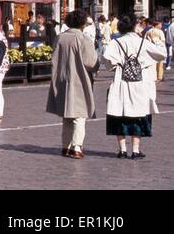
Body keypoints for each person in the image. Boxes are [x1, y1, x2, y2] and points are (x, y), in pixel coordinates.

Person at [102, 14, 164, 159]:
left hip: (121, 82)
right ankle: (135, 150)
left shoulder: (116, 43)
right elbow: (161, 54)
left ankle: (122, 149)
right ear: (134, 26)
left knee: (119, 114)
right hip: (139, 83)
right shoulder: (142, 42)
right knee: (138, 115)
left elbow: (107, 60)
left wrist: (117, 65)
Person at [47, 9, 99, 158]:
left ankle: (65, 146)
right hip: (79, 80)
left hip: (62, 79)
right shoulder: (83, 39)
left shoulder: (60, 38)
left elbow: (54, 59)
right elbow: (91, 62)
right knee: (79, 115)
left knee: (67, 115)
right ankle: (76, 147)